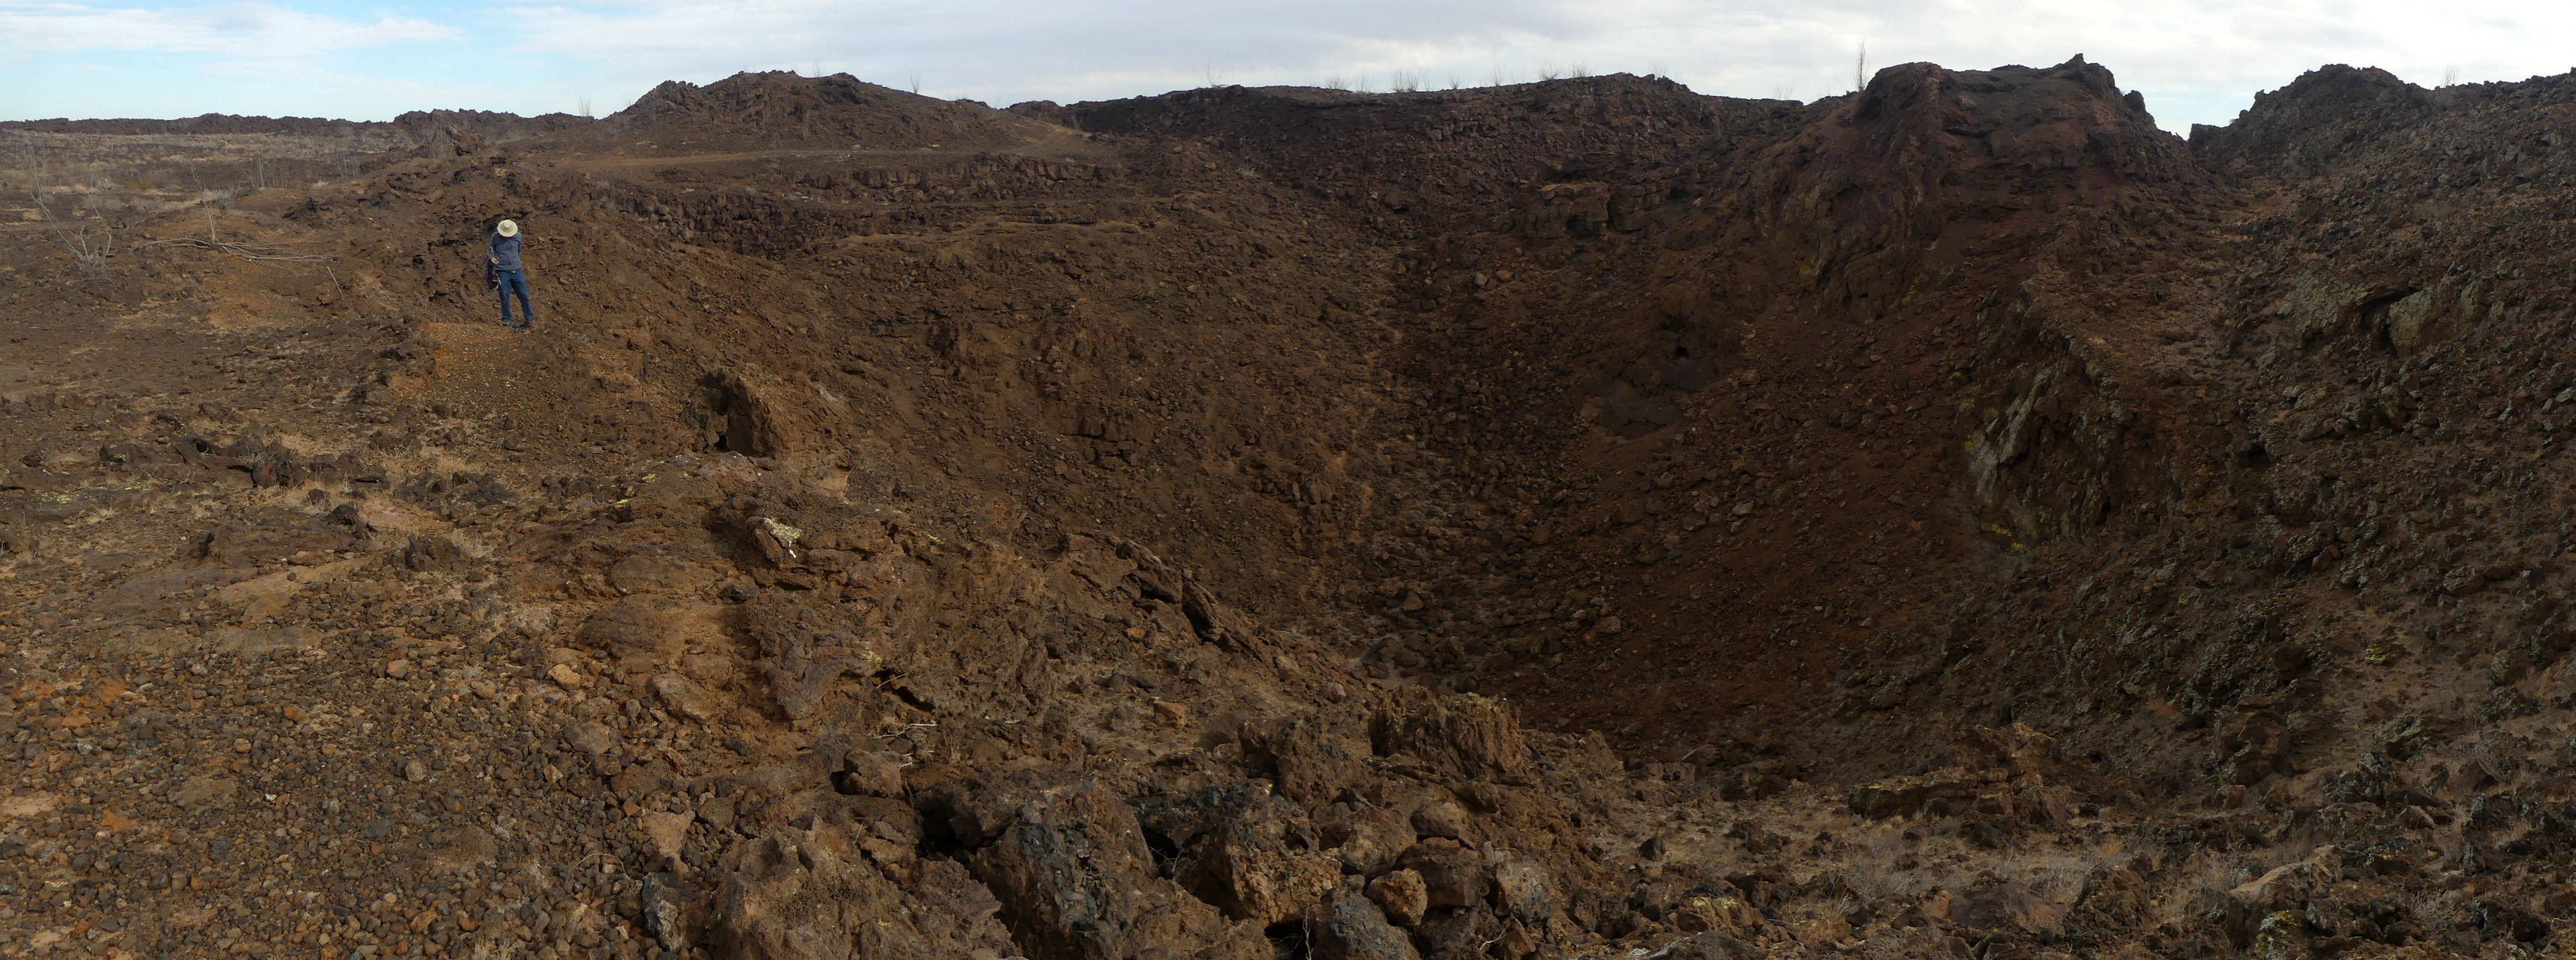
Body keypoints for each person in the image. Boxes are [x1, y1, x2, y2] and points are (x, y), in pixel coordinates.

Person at [489, 219, 533, 329]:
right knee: (504, 295)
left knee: (524, 295)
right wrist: (492, 258)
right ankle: (506, 318)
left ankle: (529, 317)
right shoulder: (495, 237)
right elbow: (490, 250)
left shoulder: (518, 237)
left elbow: (519, 249)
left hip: (517, 270)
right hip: (502, 271)